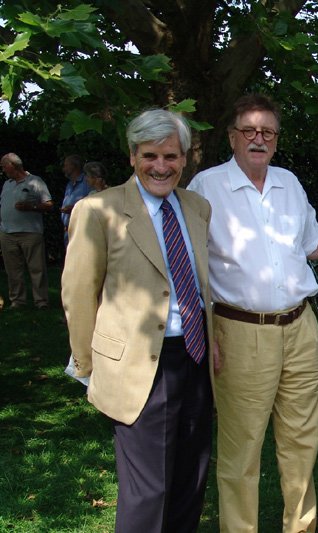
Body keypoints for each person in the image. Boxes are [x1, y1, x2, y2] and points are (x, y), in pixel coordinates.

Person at [187, 93, 318, 533]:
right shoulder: (206, 187)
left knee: (302, 442)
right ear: (232, 137)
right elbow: (190, 267)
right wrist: (205, 333)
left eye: (268, 133)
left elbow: (311, 247)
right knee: (242, 448)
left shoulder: (289, 183)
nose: (259, 139)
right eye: (249, 131)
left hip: (301, 327)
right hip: (240, 331)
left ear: (276, 139)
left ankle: (301, 527)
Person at [62, 109, 214, 533]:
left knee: (190, 480)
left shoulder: (198, 207)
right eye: (150, 156)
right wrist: (87, 367)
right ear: (132, 156)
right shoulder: (98, 210)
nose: (160, 166)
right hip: (138, 365)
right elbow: (78, 295)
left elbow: (200, 285)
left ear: (184, 158)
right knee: (148, 492)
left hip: (194, 358)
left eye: (170, 156)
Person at [0, 152, 54, 310]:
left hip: (30, 232)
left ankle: (41, 301)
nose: (3, 170)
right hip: (7, 233)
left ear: (12, 166)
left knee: (37, 268)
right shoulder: (7, 184)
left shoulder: (35, 181)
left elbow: (49, 204)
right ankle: (17, 301)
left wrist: (31, 207)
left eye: (4, 166)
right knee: (13, 270)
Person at [60, 154, 90, 242]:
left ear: (73, 166)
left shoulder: (87, 181)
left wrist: (74, 208)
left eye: (66, 165)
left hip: (82, 230)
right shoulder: (69, 184)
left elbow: (94, 202)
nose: (64, 169)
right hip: (68, 231)